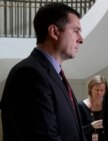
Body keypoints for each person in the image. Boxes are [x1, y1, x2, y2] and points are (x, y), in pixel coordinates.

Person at [0, 3, 86, 141]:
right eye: (76, 30)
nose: (81, 39)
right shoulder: (29, 74)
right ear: (54, 32)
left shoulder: (52, 74)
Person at [78, 75, 108, 141]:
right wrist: (91, 126)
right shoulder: (81, 106)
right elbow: (77, 130)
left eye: (102, 90)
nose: (99, 93)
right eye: (96, 90)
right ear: (90, 89)